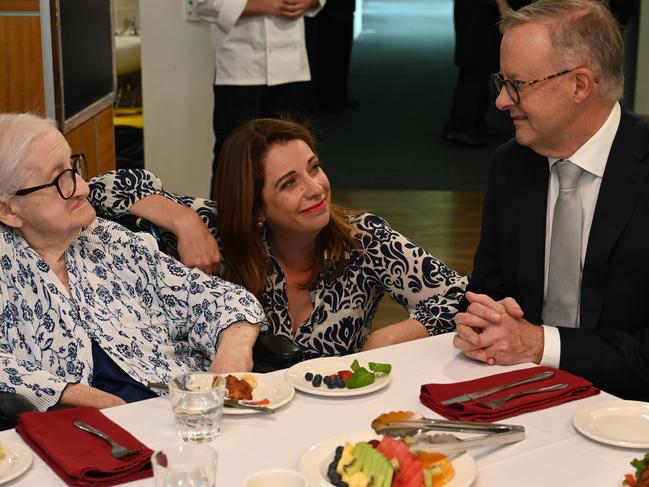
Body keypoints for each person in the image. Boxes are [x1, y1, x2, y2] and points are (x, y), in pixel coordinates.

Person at [89, 119, 467, 359]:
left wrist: (385, 340)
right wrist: (183, 220)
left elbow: (462, 296)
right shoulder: (215, 228)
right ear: (256, 210)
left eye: (314, 167)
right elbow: (94, 191)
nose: (316, 188)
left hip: (333, 416)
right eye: (289, 183)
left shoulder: (362, 238)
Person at [0, 113, 265, 412]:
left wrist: (233, 351)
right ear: (9, 210)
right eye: (60, 180)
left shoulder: (110, 241)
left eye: (74, 169)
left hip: (189, 413)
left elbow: (224, 299)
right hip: (91, 438)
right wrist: (75, 395)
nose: (83, 188)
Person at [453, 0, 649, 400]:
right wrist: (481, 323)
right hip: (525, 402)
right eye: (500, 82)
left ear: (579, 84)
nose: (501, 101)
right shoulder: (512, 166)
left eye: (518, 85)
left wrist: (540, 344)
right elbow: (487, 292)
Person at [195, 0, 324, 199]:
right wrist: (268, 5)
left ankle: (291, 225)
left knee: (293, 152)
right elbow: (204, 4)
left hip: (291, 66)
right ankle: (221, 225)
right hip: (239, 68)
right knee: (232, 156)